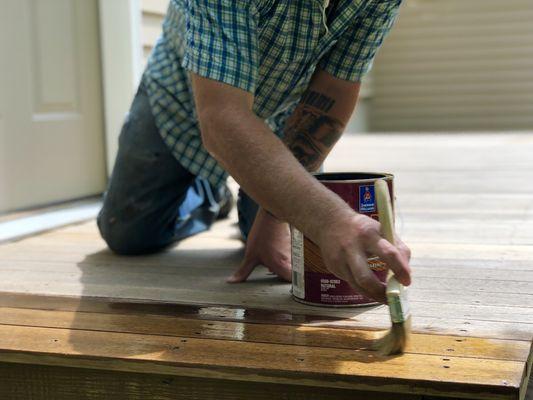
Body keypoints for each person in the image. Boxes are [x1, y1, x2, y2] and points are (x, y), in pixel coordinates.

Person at [97, 0, 411, 303]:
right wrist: (329, 220)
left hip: (282, 115)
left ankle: (228, 187)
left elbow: (333, 90)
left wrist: (274, 215)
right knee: (128, 234)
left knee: (269, 244)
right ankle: (209, 194)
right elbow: (221, 118)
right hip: (179, 95)